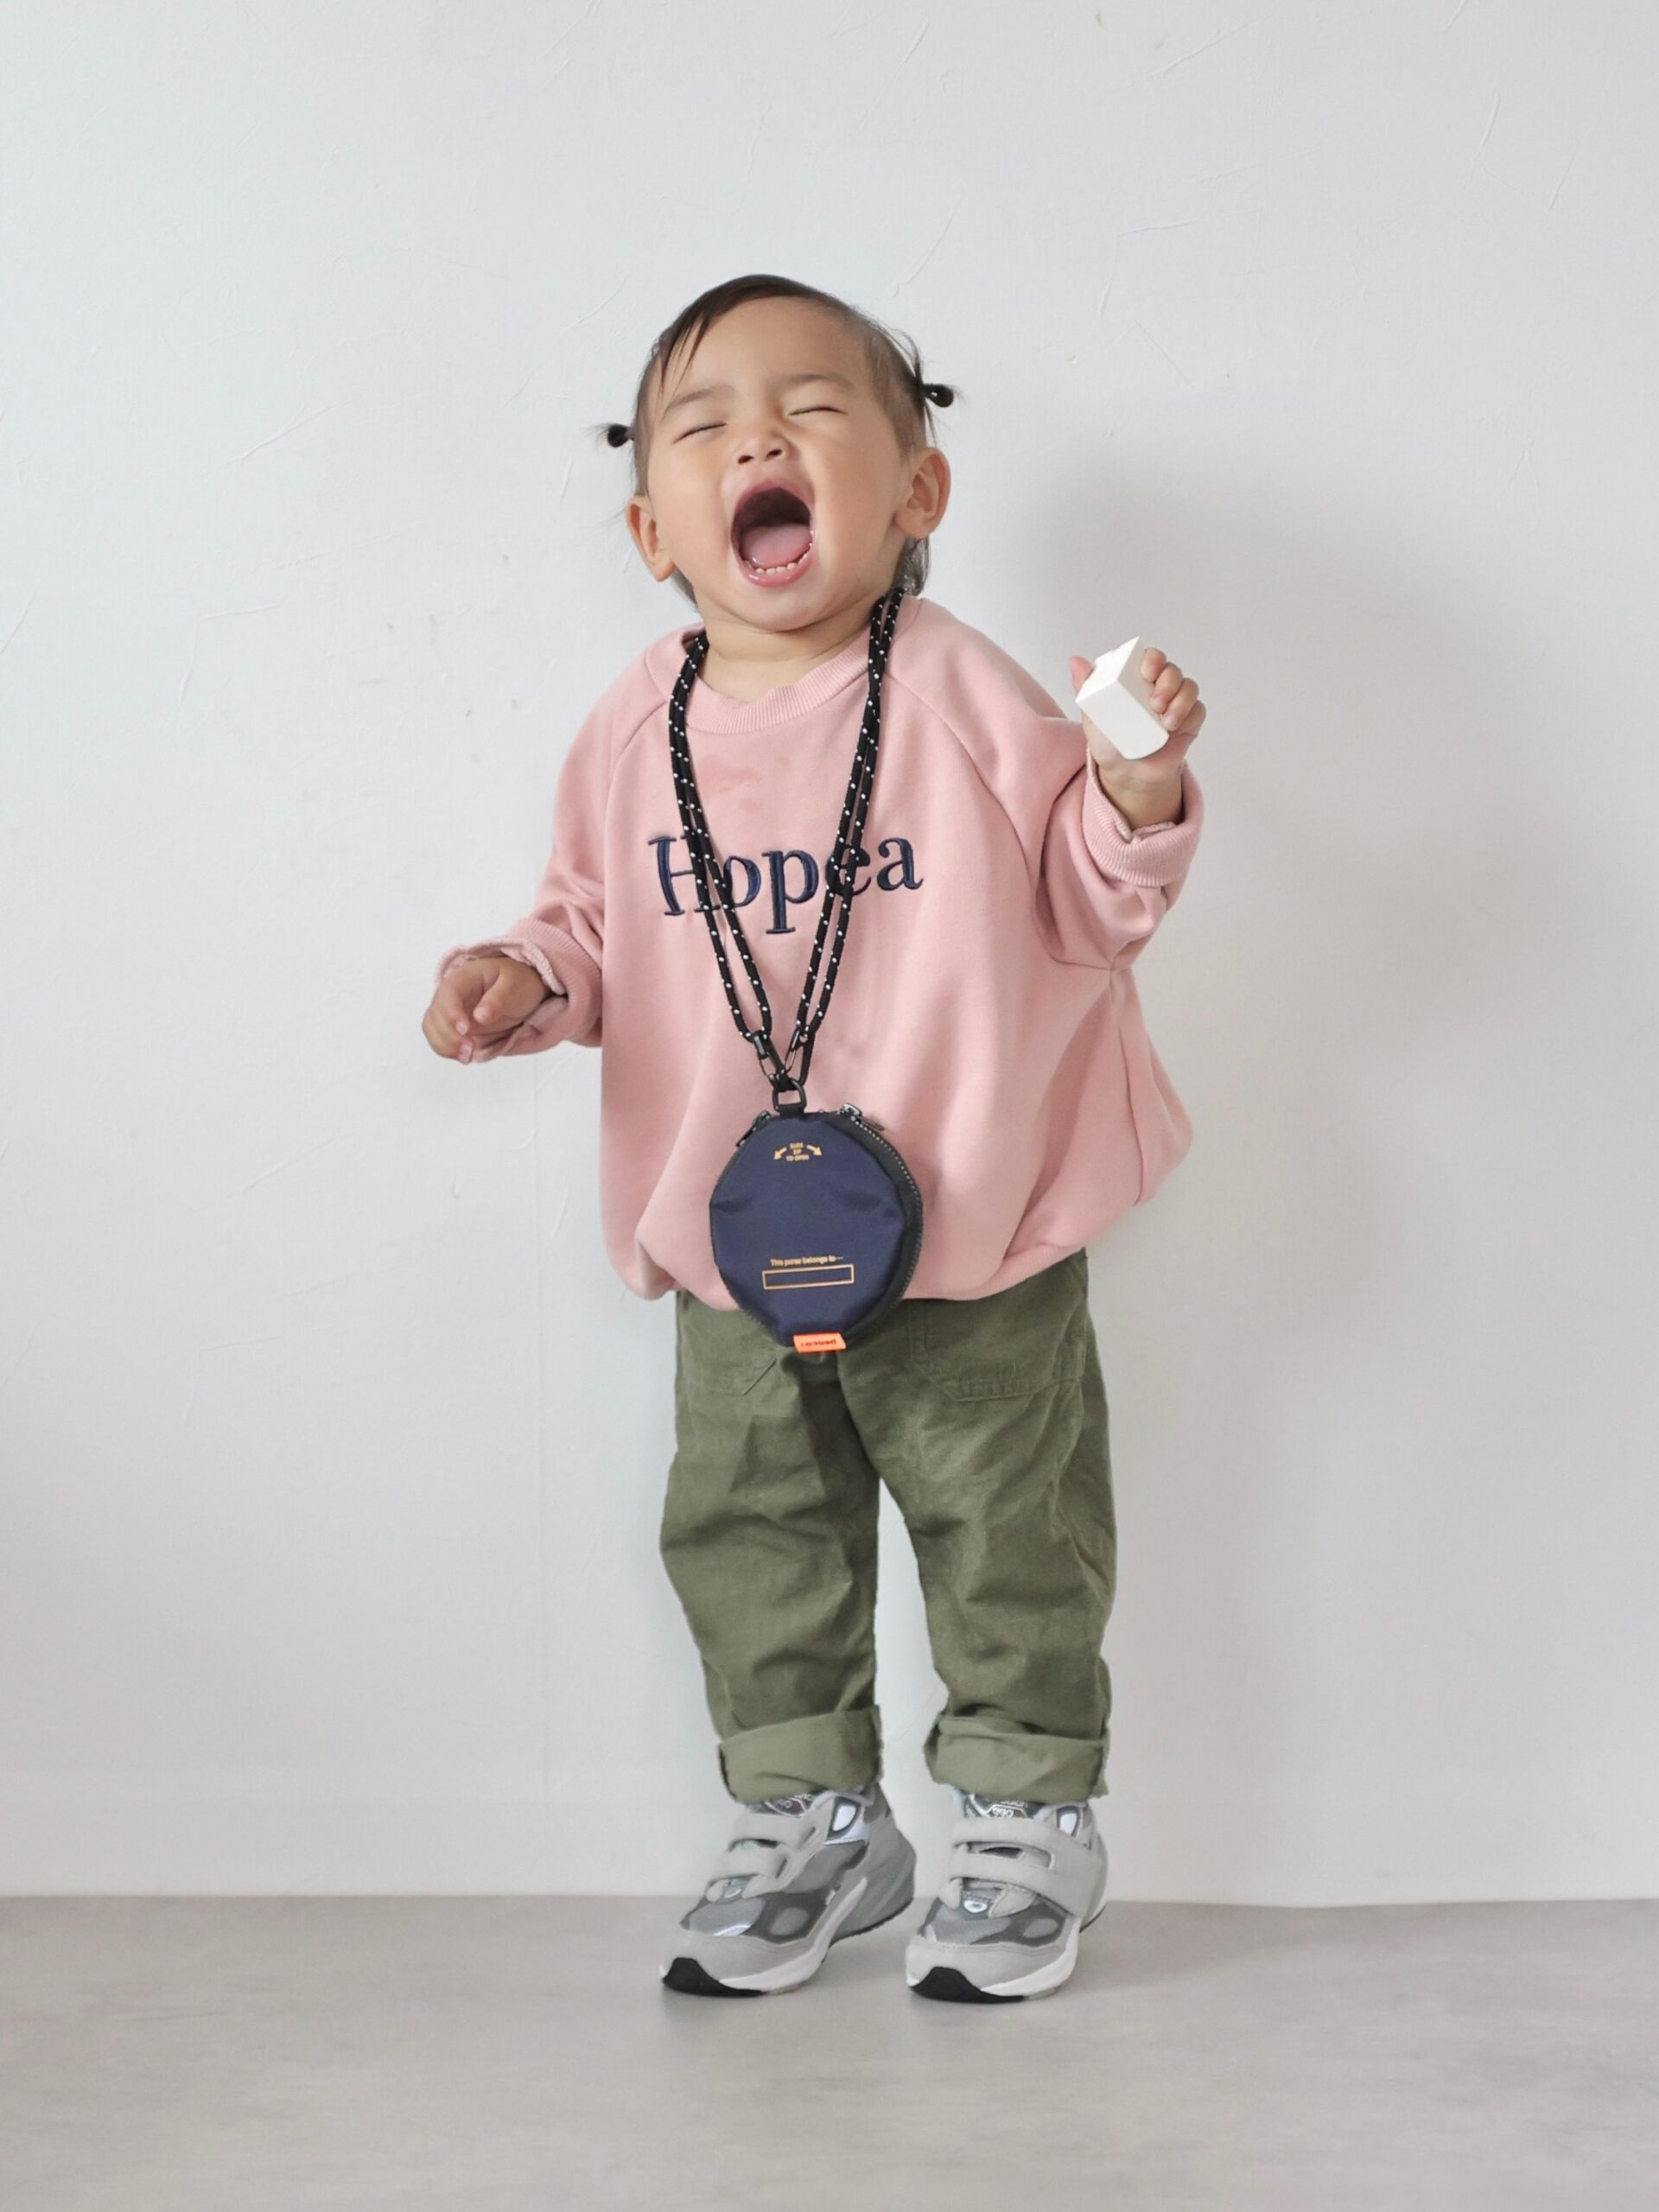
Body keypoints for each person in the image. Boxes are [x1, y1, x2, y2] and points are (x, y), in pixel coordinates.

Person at [422, 274, 1209, 2003]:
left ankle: (1026, 1816)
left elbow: (1091, 899)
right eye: (703, 426)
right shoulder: (634, 727)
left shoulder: (956, 687)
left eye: (814, 411)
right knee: (749, 1531)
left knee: (1008, 1526)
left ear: (918, 490)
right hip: (742, 1245)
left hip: (973, 1223)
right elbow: (591, 926)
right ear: (654, 529)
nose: (756, 441)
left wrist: (1134, 785)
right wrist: (524, 978)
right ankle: (813, 1819)